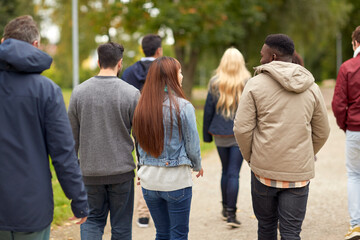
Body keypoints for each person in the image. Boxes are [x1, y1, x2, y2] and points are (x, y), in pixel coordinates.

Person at [233, 34, 330, 239]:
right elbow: (323, 131)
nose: (260, 59)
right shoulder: (311, 87)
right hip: (298, 174)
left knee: (266, 227)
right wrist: (304, 154)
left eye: (262, 55)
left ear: (273, 56)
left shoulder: (254, 84)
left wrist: (252, 156)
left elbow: (242, 129)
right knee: (291, 232)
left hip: (263, 172)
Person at [0, 15, 88, 239]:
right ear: (36, 45)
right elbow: (63, 152)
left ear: (3, 42)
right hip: (31, 209)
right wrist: (79, 200)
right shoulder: (47, 90)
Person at [68, 42, 140, 239]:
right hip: (122, 173)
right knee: (122, 227)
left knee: (91, 221)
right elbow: (140, 136)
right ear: (120, 63)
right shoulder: (131, 93)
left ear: (98, 62)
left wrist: (73, 172)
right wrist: (142, 166)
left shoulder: (79, 93)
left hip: (89, 173)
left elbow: (71, 139)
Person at [132, 56, 203, 239]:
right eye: (179, 72)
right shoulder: (183, 106)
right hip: (175, 181)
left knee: (162, 232)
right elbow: (192, 143)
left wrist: (142, 169)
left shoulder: (141, 106)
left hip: (149, 181)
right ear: (171, 75)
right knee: (178, 234)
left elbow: (139, 143)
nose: (181, 75)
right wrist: (197, 165)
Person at [203, 47, 251, 228]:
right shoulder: (248, 81)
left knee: (225, 171)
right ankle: (231, 214)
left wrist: (206, 136)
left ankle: (225, 210)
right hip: (239, 133)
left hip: (219, 134)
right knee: (233, 173)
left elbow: (208, 110)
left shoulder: (215, 82)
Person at [122, 33, 162, 228]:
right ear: (159, 50)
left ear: (142, 49)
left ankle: (143, 214)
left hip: (137, 125)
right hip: (162, 124)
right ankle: (161, 210)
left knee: (143, 167)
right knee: (163, 165)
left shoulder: (129, 73)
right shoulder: (164, 70)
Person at [332, 26, 360, 240]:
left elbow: (339, 104)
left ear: (355, 43)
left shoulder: (348, 67)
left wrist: (346, 125)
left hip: (356, 130)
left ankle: (357, 224)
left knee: (354, 175)